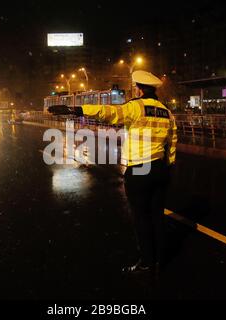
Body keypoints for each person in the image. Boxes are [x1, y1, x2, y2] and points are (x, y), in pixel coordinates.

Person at [49, 70, 178, 274]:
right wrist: (168, 166)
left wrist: (77, 109)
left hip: (140, 170)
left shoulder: (135, 107)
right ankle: (160, 260)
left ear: (138, 88)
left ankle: (146, 262)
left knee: (142, 218)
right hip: (161, 170)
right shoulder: (166, 111)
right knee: (157, 217)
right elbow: (172, 143)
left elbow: (107, 112)